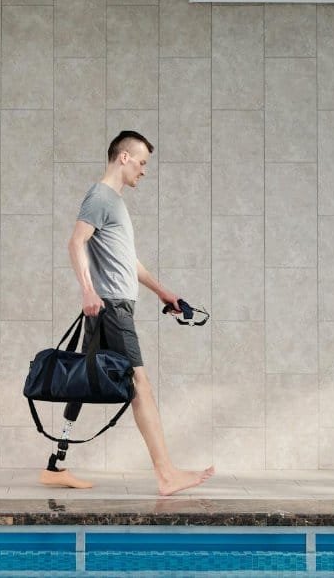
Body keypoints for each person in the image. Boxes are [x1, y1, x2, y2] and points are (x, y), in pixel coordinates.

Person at [38, 130, 215, 496]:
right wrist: (88, 289)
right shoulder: (101, 196)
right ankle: (166, 474)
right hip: (111, 308)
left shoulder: (114, 202)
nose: (145, 171)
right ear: (124, 158)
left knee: (83, 380)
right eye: (143, 162)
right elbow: (75, 242)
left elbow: (128, 262)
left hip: (112, 306)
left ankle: (55, 465)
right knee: (140, 385)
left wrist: (164, 293)